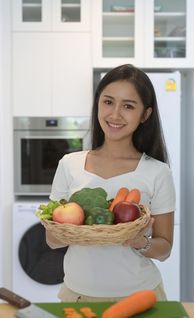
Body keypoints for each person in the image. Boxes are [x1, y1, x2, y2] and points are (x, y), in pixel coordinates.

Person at [46, 64, 175, 302]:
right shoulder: (69, 164)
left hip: (141, 297)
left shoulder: (158, 172)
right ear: (98, 105)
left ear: (145, 114)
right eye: (108, 102)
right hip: (77, 295)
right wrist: (77, 231)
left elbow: (165, 248)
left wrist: (139, 242)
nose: (115, 114)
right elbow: (52, 240)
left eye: (128, 106)